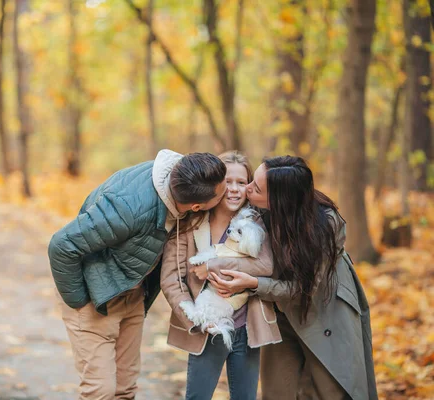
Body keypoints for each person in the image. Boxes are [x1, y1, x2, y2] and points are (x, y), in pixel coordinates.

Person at [48, 149, 227, 400]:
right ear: (197, 206)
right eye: (222, 192)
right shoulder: (127, 208)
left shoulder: (182, 179)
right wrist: (80, 302)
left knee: (125, 390)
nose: (227, 191)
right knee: (100, 391)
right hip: (95, 299)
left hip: (132, 294)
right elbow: (61, 246)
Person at [208, 155, 378, 400]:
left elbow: (303, 288)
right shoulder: (257, 210)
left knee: (329, 391)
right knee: (277, 391)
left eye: (255, 187)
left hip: (325, 308)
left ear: (278, 200)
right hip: (280, 311)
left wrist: (253, 284)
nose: (246, 189)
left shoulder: (326, 224)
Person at [161, 151, 282, 400]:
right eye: (228, 182)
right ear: (215, 185)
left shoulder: (254, 222)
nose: (235, 189)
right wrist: (196, 320)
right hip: (208, 328)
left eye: (241, 182)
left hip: (248, 328)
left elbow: (265, 266)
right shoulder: (189, 224)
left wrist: (214, 264)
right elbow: (172, 278)